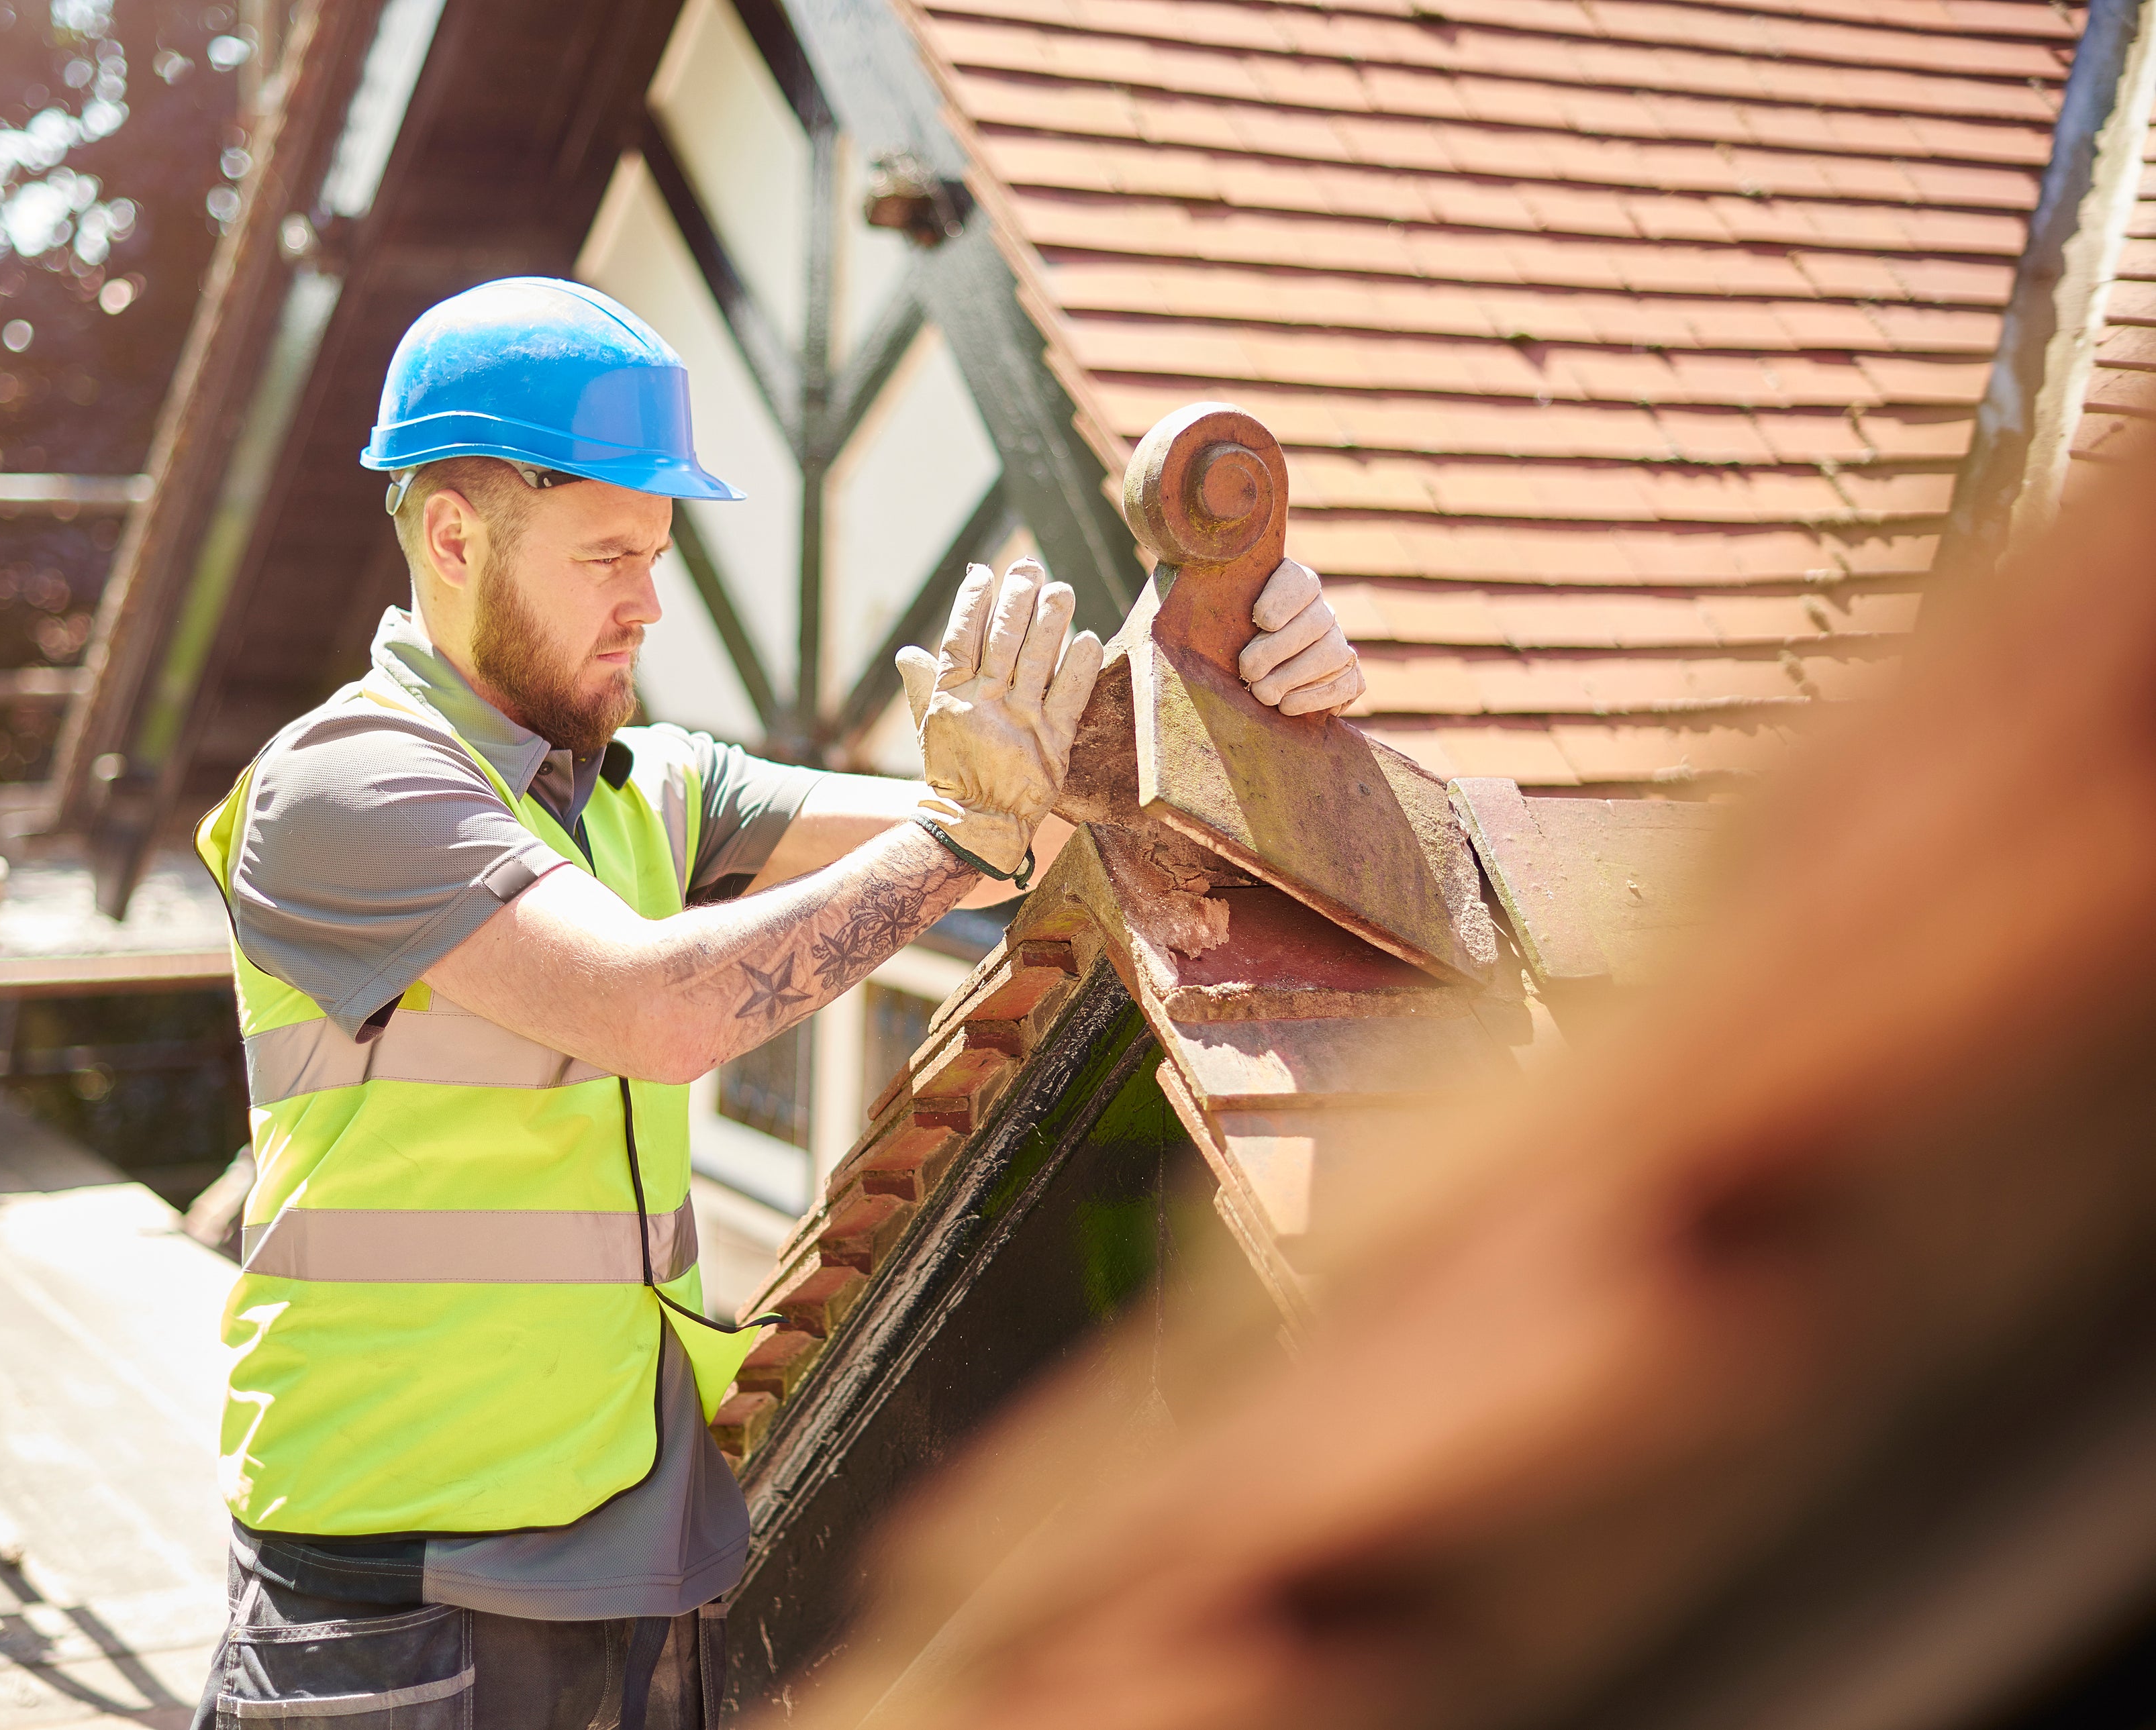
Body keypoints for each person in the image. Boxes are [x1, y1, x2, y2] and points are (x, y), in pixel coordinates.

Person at [187, 277, 1365, 1730]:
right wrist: (958, 838)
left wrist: (1238, 663)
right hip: (395, 1599)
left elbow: (1034, 823)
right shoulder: (342, 790)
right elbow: (661, 1008)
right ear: (452, 536)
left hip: (630, 1564)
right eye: (609, 554)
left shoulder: (642, 785)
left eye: (660, 552)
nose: (649, 599)